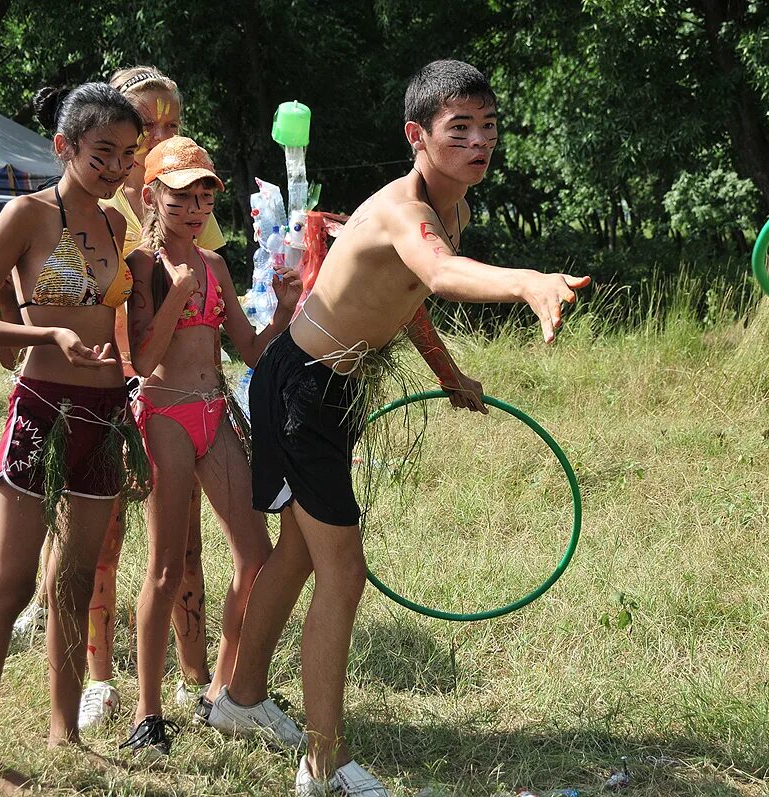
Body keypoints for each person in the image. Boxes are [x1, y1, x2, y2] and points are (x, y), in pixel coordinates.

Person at [215, 60, 589, 795]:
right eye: (461, 129)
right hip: (300, 387)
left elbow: (410, 294)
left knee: (298, 553)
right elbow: (441, 273)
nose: (479, 141)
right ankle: (323, 761)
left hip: (333, 388)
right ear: (418, 136)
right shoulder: (400, 209)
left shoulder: (455, 207)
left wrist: (448, 373)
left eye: (488, 127)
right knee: (343, 574)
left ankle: (240, 697)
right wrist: (526, 282)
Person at [12, 67, 223, 729]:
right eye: (144, 124)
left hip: (170, 401)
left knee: (182, 544)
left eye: (168, 123)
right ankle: (99, 677)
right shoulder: (97, 209)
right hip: (106, 396)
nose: (158, 135)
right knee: (99, 541)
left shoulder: (182, 197)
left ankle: (194, 674)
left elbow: (205, 295)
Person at [0, 82, 145, 779]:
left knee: (75, 579)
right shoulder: (26, 216)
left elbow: (134, 328)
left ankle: (65, 730)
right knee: (10, 582)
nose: (118, 166)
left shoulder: (118, 226)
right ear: (64, 147)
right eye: (103, 153)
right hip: (42, 405)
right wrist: (46, 330)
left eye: (128, 154)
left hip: (105, 411)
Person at [117, 135, 303, 757]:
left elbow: (249, 351)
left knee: (257, 554)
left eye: (203, 196)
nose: (195, 208)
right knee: (166, 568)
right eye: (181, 196)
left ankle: (222, 687)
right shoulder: (141, 265)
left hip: (214, 412)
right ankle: (146, 710)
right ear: (152, 198)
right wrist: (176, 293)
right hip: (164, 414)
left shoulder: (217, 266)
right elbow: (141, 359)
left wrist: (281, 313)